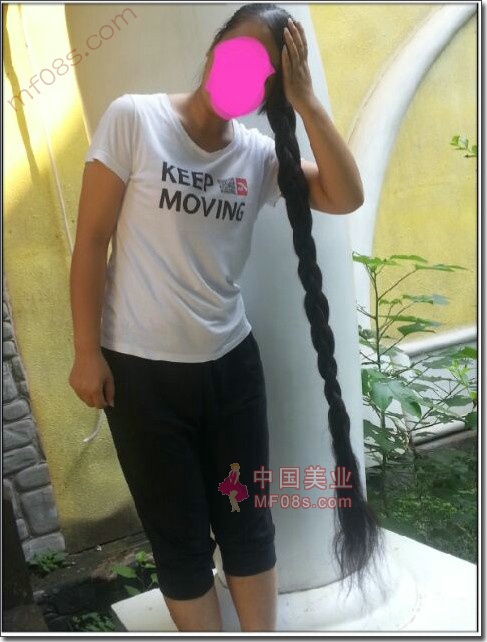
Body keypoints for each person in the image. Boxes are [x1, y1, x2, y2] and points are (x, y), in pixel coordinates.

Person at [69, 3, 384, 633]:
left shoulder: (258, 157)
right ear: (214, 48)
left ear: (272, 89)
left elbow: (346, 194)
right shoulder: (136, 119)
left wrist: (307, 102)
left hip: (232, 371)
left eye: (264, 71)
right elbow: (92, 240)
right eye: (237, 52)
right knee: (179, 537)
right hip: (142, 376)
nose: (242, 72)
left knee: (247, 521)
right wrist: (86, 351)